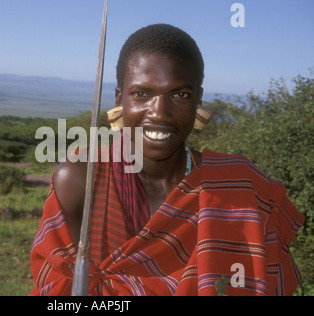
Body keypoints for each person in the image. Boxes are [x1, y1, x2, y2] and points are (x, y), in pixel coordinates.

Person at [29, 24, 305, 296]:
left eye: (179, 95)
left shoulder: (240, 188)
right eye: (141, 94)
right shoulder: (81, 179)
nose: (159, 113)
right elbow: (60, 288)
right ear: (120, 99)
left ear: (198, 100)